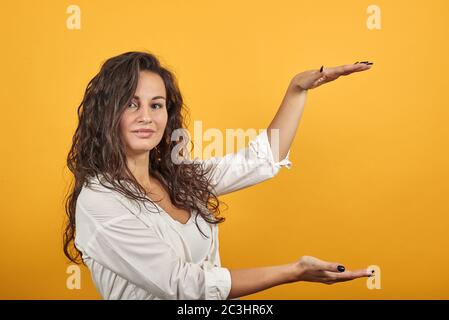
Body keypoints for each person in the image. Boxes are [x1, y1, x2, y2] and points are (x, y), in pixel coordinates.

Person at [63, 51, 374, 300]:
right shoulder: (99, 201)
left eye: (156, 105)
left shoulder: (179, 177)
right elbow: (183, 286)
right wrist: (294, 271)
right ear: (106, 113)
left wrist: (297, 88)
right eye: (131, 104)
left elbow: (260, 160)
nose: (147, 117)